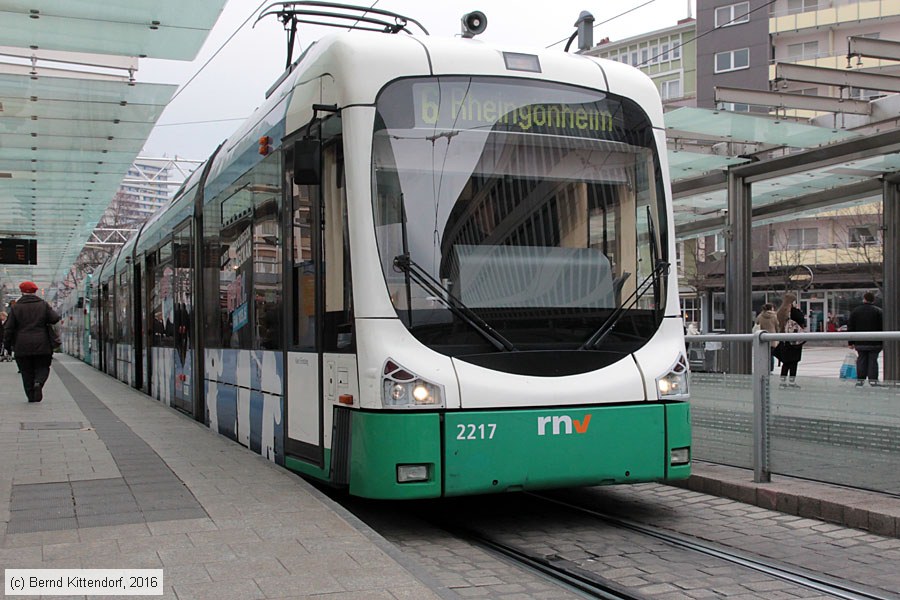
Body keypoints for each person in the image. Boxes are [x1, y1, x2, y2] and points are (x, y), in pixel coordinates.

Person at [2, 281, 60, 403]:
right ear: (35, 291)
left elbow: (9, 328)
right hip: (42, 343)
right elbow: (54, 318)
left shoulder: (16, 307)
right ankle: (39, 382)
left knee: (26, 371)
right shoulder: (43, 305)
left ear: (21, 291)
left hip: (21, 345)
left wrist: (7, 345)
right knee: (43, 366)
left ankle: (31, 396)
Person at [848, 291, 883, 387]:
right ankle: (873, 381)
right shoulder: (878, 311)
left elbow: (851, 327)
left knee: (861, 360)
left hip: (860, 341)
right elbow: (882, 327)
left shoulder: (856, 311)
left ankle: (860, 380)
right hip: (875, 342)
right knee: (873, 361)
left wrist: (851, 342)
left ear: (864, 299)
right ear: (873, 300)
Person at [775, 292, 806, 388]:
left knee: (786, 362)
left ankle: (782, 381)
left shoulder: (780, 311)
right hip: (794, 340)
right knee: (794, 361)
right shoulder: (792, 311)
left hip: (783, 340)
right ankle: (792, 381)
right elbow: (801, 320)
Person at [755, 303, 778, 372]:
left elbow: (756, 323)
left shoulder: (760, 316)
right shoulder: (774, 316)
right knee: (771, 355)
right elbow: (777, 325)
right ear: (771, 308)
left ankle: (764, 368)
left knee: (764, 354)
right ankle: (771, 369)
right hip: (772, 337)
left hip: (762, 337)